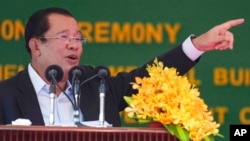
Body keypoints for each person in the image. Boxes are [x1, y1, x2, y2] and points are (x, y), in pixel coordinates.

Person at [0, 7, 244, 126]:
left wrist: (198, 45)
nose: (75, 46)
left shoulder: (97, 83)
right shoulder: (6, 96)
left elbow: (150, 79)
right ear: (36, 46)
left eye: (78, 38)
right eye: (64, 38)